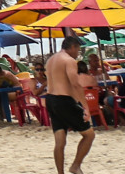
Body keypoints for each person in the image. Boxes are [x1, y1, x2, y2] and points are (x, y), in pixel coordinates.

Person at [45, 35, 95, 174]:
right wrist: (85, 107)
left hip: (50, 99)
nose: (78, 52)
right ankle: (75, 166)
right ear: (72, 47)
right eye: (78, 49)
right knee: (89, 135)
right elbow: (75, 84)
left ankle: (60, 173)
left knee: (60, 142)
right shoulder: (69, 60)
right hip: (63, 100)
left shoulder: (51, 60)